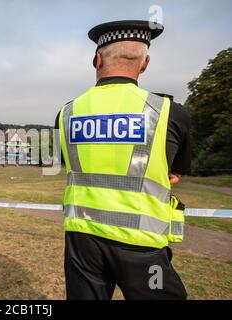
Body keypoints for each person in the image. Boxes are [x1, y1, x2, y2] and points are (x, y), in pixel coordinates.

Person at [55, 20, 191, 300]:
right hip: (142, 244)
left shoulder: (67, 112)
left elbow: (70, 165)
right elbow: (175, 173)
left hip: (83, 237)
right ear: (145, 63)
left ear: (97, 59)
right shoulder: (169, 112)